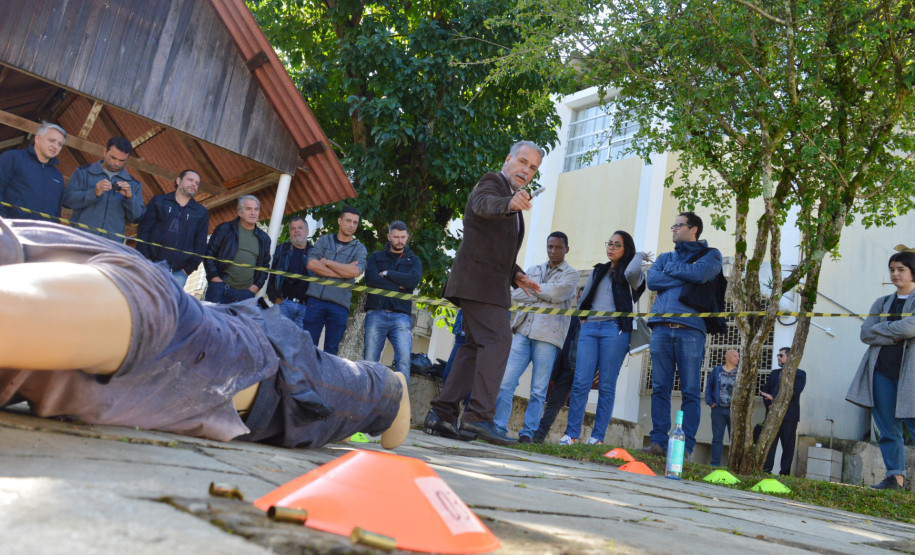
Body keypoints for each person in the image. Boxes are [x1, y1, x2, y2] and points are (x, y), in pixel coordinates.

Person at [0, 218, 410, 450]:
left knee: (373, 393)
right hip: (226, 324)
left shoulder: (117, 300)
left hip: (271, 366)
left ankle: (394, 383)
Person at [424, 140, 543, 446]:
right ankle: (478, 419)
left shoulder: (512, 198)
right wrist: (508, 204)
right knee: (499, 340)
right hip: (479, 283)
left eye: (532, 168)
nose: (526, 171)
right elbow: (483, 205)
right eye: (522, 162)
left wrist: (517, 275)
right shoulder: (493, 183)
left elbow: (493, 244)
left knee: (473, 348)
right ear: (508, 158)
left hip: (487, 282)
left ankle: (442, 415)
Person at [643, 212, 722, 459]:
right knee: (660, 388)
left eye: (678, 225)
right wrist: (685, 272)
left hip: (691, 331)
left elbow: (701, 275)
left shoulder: (711, 255)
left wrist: (677, 271)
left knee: (689, 390)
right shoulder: (665, 256)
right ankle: (657, 443)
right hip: (661, 329)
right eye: (673, 225)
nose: (674, 229)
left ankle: (685, 449)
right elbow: (652, 280)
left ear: (694, 229)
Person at [560, 231, 648, 446]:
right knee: (581, 382)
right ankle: (571, 434)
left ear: (626, 249)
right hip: (590, 328)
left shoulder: (631, 275)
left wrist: (639, 256)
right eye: (609, 243)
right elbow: (583, 299)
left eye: (617, 245)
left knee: (607, 385)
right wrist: (584, 321)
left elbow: (633, 270)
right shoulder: (599, 270)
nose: (611, 248)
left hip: (615, 330)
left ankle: (597, 437)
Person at [494, 232, 578, 443]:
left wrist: (533, 290)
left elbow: (557, 294)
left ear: (566, 249)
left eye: (558, 247)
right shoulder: (534, 269)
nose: (553, 251)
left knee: (539, 390)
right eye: (550, 246)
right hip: (523, 330)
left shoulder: (571, 274)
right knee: (506, 382)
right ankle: (498, 427)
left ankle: (527, 433)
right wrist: (544, 293)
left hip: (548, 337)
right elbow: (517, 295)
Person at [847, 251, 915, 490]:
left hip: (911, 376)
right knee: (887, 428)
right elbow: (866, 333)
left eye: (901, 270)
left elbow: (910, 328)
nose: (895, 274)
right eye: (892, 269)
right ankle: (895, 479)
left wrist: (883, 330)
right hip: (881, 372)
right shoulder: (881, 302)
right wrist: (894, 333)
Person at [363, 221, 423, 384]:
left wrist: (388, 273)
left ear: (407, 237)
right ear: (389, 237)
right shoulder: (376, 257)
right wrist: (399, 286)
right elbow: (371, 280)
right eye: (396, 237)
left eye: (403, 237)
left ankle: (400, 405)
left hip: (401, 317)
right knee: (369, 362)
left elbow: (412, 281)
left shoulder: (414, 260)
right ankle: (366, 401)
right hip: (376, 312)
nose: (399, 240)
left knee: (404, 362)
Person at [303, 206, 367, 355]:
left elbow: (355, 271)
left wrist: (328, 262)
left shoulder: (359, 248)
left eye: (355, 222)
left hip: (339, 306)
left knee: (331, 352)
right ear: (339, 221)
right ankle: (304, 378)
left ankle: (325, 379)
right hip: (315, 301)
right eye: (348, 221)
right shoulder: (324, 240)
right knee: (307, 347)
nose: (351, 225)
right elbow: (311, 264)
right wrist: (344, 272)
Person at [135, 169, 209, 287]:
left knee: (167, 305)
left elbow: (200, 244)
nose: (193, 184)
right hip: (151, 266)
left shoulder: (201, 212)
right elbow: (144, 230)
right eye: (190, 180)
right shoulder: (159, 201)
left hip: (178, 273)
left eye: (196, 183)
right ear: (178, 180)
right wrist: (146, 259)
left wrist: (187, 269)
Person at [63, 137, 144, 241]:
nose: (117, 163)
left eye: (122, 160)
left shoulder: (134, 185)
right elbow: (67, 201)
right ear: (105, 151)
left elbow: (136, 218)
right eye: (113, 158)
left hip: (110, 246)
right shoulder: (83, 172)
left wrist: (130, 198)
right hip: (80, 240)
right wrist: (94, 193)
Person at [204, 195, 271, 304]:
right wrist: (214, 277)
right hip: (220, 288)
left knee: (237, 322)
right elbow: (209, 253)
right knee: (210, 321)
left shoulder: (264, 239)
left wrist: (256, 287)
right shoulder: (225, 229)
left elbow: (265, 266)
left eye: (256, 209)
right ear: (239, 212)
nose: (253, 213)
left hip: (246, 294)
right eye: (248, 209)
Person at [0, 122, 66, 221]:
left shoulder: (57, 176)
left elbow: (57, 211)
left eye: (60, 144)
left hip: (42, 234)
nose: (56, 146)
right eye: (51, 140)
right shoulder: (13, 158)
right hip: (11, 229)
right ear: (37, 138)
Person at [533, 315, 581, 443]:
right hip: (566, 368)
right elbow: (563, 345)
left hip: (584, 372)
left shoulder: (597, 321)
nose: (581, 301)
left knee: (578, 405)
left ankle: (571, 437)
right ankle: (538, 436)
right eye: (579, 297)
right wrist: (555, 372)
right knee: (553, 403)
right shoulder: (573, 319)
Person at [761, 347, 806, 475]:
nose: (778, 358)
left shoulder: (800, 374)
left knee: (787, 446)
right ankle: (765, 470)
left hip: (789, 417)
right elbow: (765, 392)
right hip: (772, 416)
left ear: (789, 357)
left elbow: (795, 393)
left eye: (781, 355)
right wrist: (769, 405)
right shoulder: (775, 373)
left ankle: (784, 473)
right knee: (769, 445)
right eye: (777, 355)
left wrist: (774, 399)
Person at [267, 216, 313, 329]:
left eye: (300, 228)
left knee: (297, 344)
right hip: (283, 304)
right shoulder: (281, 250)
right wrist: (275, 298)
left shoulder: (315, 253)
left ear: (307, 231)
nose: (296, 231)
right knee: (277, 342)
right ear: (290, 232)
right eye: (293, 228)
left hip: (305, 309)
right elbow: (269, 275)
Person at [705, 349, 739, 466]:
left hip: (733, 411)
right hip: (718, 409)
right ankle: (715, 464)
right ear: (728, 357)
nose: (737, 358)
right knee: (717, 438)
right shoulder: (717, 371)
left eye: (738, 356)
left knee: (734, 439)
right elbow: (709, 387)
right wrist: (710, 402)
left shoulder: (739, 372)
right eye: (735, 356)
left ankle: (733, 465)